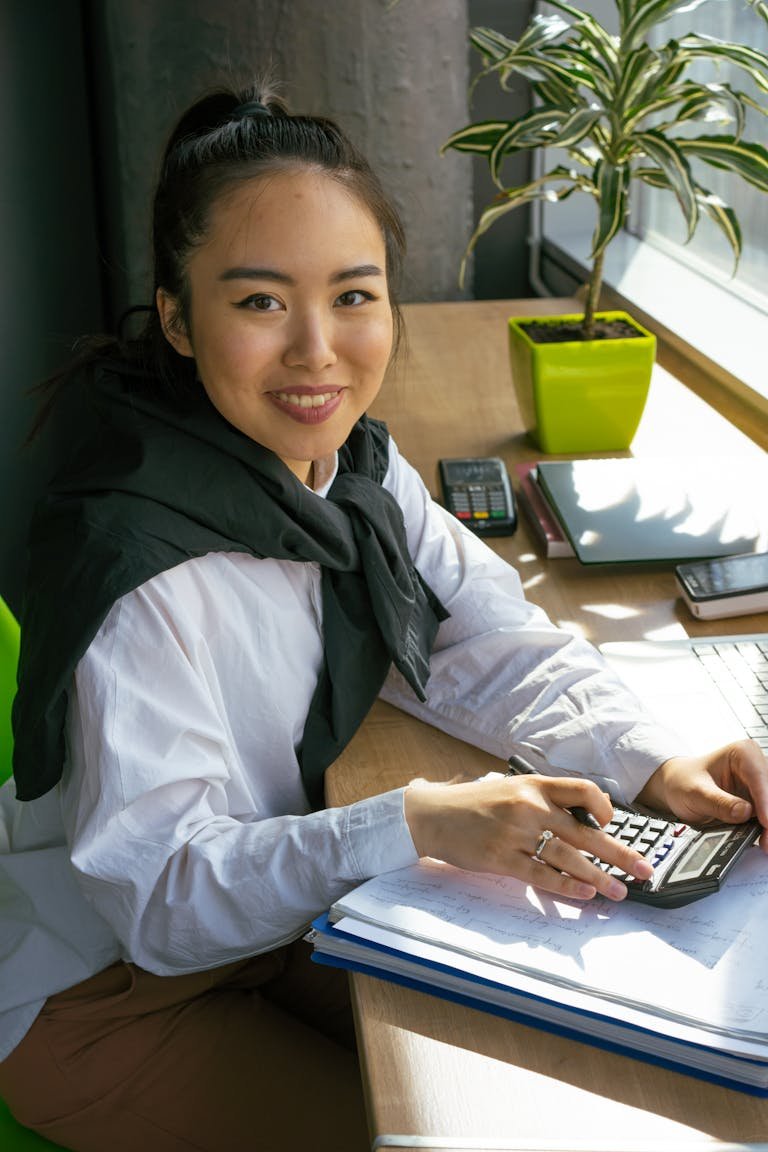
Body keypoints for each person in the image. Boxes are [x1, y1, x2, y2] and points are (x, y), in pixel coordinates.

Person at [0, 79, 766, 1152]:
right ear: (176, 315)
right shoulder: (140, 565)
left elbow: (481, 637)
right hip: (105, 1001)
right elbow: (159, 902)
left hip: (263, 935)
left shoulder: (343, 465)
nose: (318, 348)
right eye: (260, 301)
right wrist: (415, 819)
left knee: (575, 1091)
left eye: (354, 295)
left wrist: (660, 762)